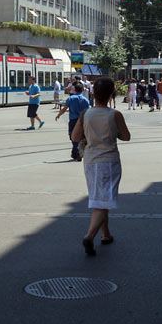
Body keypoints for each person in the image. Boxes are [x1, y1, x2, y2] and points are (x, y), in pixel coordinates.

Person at [71, 77, 130, 256]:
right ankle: (90, 235)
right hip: (109, 160)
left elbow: (75, 137)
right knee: (104, 200)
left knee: (99, 197)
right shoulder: (114, 114)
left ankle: (105, 234)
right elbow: (126, 136)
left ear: (93, 94)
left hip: (90, 161)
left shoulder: (85, 114)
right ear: (112, 93)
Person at [56, 81, 90, 161]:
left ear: (74, 90)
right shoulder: (86, 100)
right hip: (82, 121)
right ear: (82, 90)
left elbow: (64, 109)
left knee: (73, 136)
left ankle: (76, 152)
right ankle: (78, 151)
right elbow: (88, 111)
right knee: (81, 136)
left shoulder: (71, 98)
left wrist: (59, 115)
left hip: (73, 120)